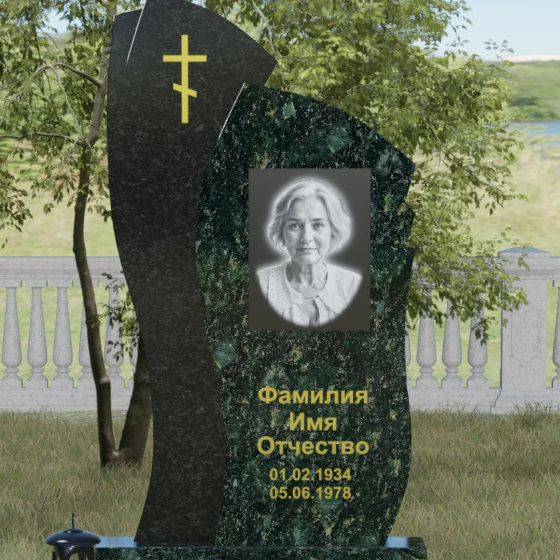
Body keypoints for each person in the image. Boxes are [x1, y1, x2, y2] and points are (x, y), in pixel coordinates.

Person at [256, 178, 362, 327]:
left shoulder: (354, 285)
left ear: (333, 231)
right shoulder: (259, 284)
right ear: (281, 233)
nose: (306, 237)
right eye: (295, 225)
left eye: (317, 225)